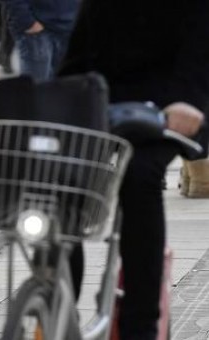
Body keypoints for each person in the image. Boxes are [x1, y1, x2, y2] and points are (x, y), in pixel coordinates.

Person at [57, 1, 209, 339]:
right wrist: (55, 98)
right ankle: (54, 305)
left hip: (168, 106)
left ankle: (139, 325)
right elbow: (78, 55)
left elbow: (201, 42)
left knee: (139, 178)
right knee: (60, 181)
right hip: (104, 103)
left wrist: (190, 99)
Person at [1, 0, 78, 81]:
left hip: (69, 22)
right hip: (37, 25)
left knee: (63, 87)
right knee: (37, 84)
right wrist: (26, 21)